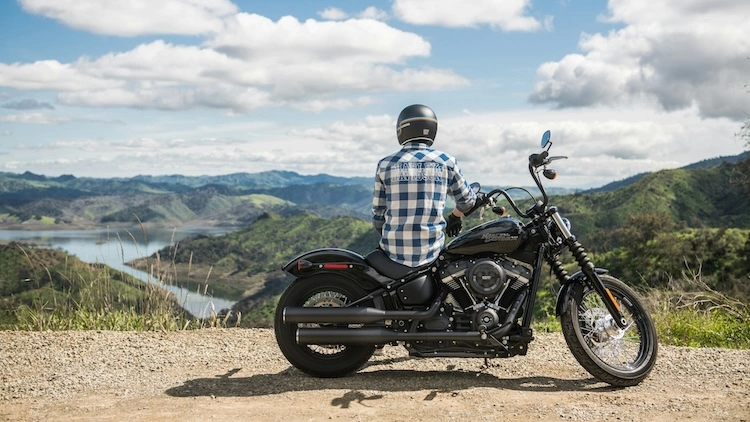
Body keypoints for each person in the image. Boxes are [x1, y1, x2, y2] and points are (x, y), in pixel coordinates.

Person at [372, 104, 477, 267]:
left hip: (392, 255)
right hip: (432, 255)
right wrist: (455, 216)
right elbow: (467, 201)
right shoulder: (447, 162)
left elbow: (378, 216)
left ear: (402, 129)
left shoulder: (385, 164)